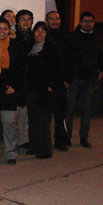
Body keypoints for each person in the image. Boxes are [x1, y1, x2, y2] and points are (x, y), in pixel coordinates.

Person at [0, 17, 24, 165]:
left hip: (9, 91)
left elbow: (20, 70)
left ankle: (11, 153)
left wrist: (15, 86)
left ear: (9, 30)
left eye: (5, 29)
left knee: (9, 124)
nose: (2, 31)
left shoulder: (14, 46)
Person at [64, 11, 103, 148]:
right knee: (69, 109)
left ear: (93, 23)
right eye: (85, 21)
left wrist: (102, 70)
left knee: (87, 109)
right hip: (75, 78)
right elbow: (67, 58)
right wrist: (67, 77)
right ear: (80, 22)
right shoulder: (72, 37)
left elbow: (101, 57)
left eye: (90, 21)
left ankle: (84, 137)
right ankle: (66, 137)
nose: (87, 23)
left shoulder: (97, 38)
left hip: (90, 79)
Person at [25, 21, 64, 159]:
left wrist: (51, 85)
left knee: (43, 119)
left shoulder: (52, 48)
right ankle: (34, 146)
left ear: (47, 34)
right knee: (33, 119)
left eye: (43, 31)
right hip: (31, 88)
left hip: (44, 89)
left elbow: (58, 69)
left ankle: (45, 149)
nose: (39, 34)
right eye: (37, 31)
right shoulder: (30, 48)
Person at [46, 11, 72, 151]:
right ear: (47, 21)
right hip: (49, 83)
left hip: (62, 82)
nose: (55, 21)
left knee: (60, 114)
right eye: (51, 19)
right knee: (47, 114)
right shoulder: (44, 37)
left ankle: (60, 139)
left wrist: (68, 80)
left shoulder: (67, 37)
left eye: (57, 18)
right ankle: (46, 141)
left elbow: (72, 60)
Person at [13, 9, 34, 150]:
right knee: (15, 112)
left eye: (28, 19)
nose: (26, 21)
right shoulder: (14, 38)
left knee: (26, 112)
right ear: (17, 22)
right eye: (22, 19)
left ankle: (24, 139)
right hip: (17, 77)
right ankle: (14, 140)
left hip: (32, 79)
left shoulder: (36, 36)